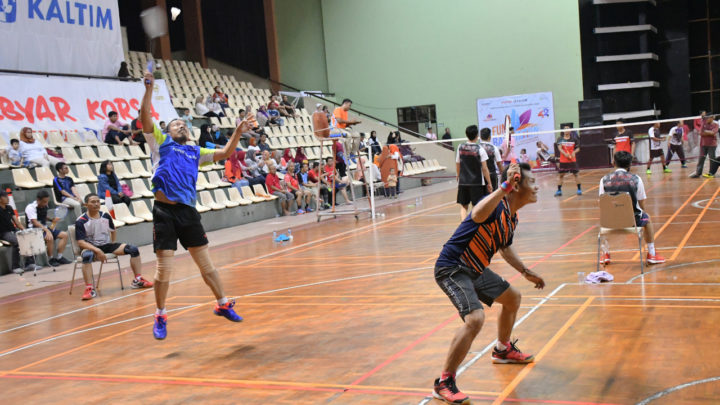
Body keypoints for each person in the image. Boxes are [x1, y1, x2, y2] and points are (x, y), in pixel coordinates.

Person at [141, 71, 249, 339]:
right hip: (164, 212)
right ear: (167, 131)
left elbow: (225, 153)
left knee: (206, 265)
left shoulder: (195, 151)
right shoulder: (160, 143)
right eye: (176, 124)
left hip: (188, 212)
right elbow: (145, 119)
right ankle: (160, 314)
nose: (181, 126)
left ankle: (222, 303)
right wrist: (148, 90)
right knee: (164, 269)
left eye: (183, 124)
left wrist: (237, 131)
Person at [432, 163, 545, 404]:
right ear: (516, 186)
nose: (536, 187)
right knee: (475, 319)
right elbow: (477, 214)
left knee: (513, 298)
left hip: (475, 269)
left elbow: (504, 247)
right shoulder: (495, 206)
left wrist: (525, 272)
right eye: (532, 182)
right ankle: (444, 383)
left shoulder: (511, 217)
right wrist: (504, 187)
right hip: (453, 267)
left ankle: (502, 350)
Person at [75, 193, 153, 300]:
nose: (96, 204)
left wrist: (113, 243)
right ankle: (89, 288)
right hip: (90, 247)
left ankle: (138, 280)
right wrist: (97, 250)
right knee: (87, 256)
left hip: (106, 245)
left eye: (98, 201)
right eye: (93, 202)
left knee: (133, 249)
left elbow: (113, 230)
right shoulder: (81, 221)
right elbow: (81, 242)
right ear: (86, 205)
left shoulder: (105, 216)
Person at [599, 151, 666, 265]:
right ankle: (652, 254)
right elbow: (641, 203)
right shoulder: (636, 179)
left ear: (613, 162)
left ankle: (605, 254)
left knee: (602, 220)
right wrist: (642, 213)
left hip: (610, 222)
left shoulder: (603, 180)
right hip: (633, 221)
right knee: (647, 218)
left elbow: (602, 203)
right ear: (630, 164)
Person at [25, 190, 71, 266]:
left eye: (47, 201)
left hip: (44, 229)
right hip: (34, 230)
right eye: (44, 202)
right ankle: (50, 259)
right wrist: (47, 231)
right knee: (49, 237)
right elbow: (34, 222)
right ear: (38, 200)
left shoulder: (45, 205)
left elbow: (43, 216)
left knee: (64, 235)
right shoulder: (30, 208)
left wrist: (51, 220)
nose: (46, 204)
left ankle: (59, 257)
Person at [456, 125, 492, 220]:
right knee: (476, 207)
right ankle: (473, 225)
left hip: (463, 182)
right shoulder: (480, 149)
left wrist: (458, 175)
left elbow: (458, 163)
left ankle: (463, 224)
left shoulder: (460, 147)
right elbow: (485, 168)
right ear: (477, 136)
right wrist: (489, 182)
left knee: (464, 206)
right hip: (477, 183)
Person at [0, 190, 25, 274]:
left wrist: (25, 231)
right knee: (16, 242)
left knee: (27, 238)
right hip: (3, 233)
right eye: (5, 197)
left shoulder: (9, 208)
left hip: (13, 230)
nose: (8, 198)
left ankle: (30, 263)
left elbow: (17, 222)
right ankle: (15, 267)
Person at [555, 126, 582, 197]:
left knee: (576, 174)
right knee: (561, 175)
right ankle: (559, 190)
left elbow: (578, 148)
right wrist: (565, 154)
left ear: (570, 131)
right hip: (563, 160)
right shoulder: (560, 139)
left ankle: (579, 189)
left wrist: (574, 152)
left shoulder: (574, 139)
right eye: (565, 129)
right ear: (563, 131)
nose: (566, 130)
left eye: (568, 129)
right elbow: (560, 148)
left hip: (572, 160)